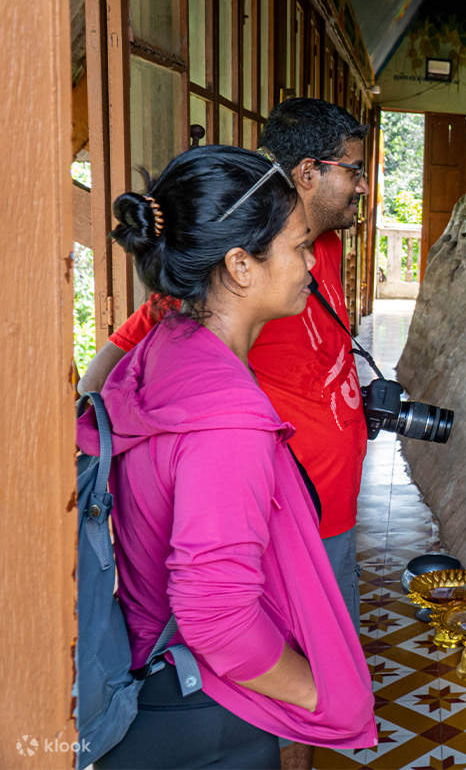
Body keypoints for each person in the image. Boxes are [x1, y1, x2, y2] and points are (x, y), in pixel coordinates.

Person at [76, 145, 376, 768]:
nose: (308, 267)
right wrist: (321, 695)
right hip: (209, 712)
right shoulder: (227, 417)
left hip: (156, 660)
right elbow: (215, 616)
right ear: (241, 265)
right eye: (297, 248)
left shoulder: (166, 349)